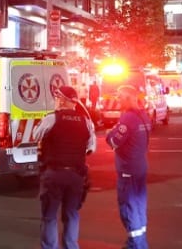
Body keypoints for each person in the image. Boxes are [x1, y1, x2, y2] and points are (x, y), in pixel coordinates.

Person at [32, 85, 96, 249]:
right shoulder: (86, 122)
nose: (56, 101)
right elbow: (91, 148)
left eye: (58, 98)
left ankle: (50, 247)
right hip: (76, 176)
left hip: (54, 173)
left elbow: (36, 135)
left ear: (62, 100)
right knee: (72, 215)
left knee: (50, 216)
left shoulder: (52, 118)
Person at [106, 85, 151, 249]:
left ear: (127, 98)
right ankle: (140, 242)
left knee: (128, 208)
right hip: (140, 167)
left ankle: (136, 244)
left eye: (119, 97)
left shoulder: (128, 118)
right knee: (139, 206)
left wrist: (110, 133)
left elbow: (113, 141)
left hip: (128, 171)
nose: (117, 100)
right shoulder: (144, 116)